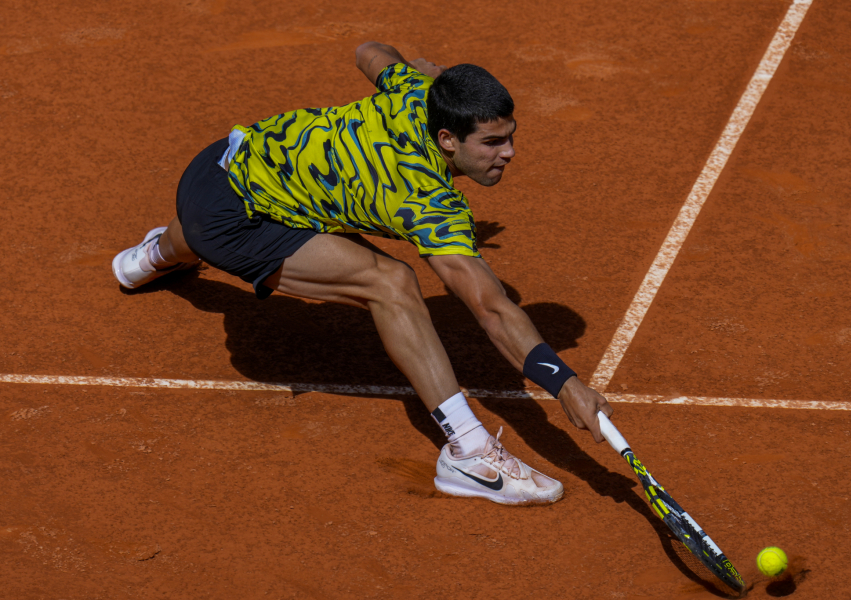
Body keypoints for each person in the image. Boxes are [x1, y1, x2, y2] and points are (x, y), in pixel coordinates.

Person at [113, 41, 613, 505]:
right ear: (446, 137)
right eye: (491, 142)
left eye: (510, 136)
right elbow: (491, 308)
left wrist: (431, 75)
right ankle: (468, 454)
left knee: (274, 202)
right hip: (235, 224)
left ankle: (153, 255)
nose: (509, 153)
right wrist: (565, 384)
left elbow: (369, 51)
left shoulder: (414, 92)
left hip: (215, 167)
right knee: (391, 283)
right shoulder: (429, 203)